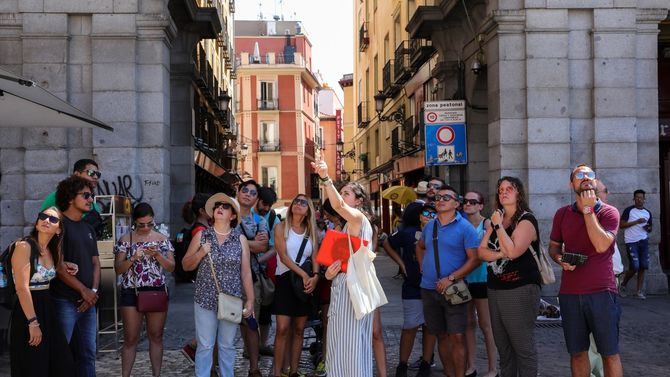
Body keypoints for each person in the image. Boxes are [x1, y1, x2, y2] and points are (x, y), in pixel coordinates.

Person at [548, 165, 623, 377]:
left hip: (602, 292)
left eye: (590, 175)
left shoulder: (609, 212)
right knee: (577, 353)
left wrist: (589, 210)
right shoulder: (562, 214)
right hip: (570, 293)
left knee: (609, 353)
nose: (586, 178)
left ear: (596, 181)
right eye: (579, 175)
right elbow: (553, 247)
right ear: (571, 183)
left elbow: (601, 245)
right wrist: (559, 258)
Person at [312, 159, 376, 377]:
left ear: (358, 201)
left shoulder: (358, 219)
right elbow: (338, 264)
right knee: (339, 345)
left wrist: (325, 178)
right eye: (342, 192)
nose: (342, 196)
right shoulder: (345, 226)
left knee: (351, 347)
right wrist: (330, 273)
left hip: (354, 290)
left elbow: (338, 205)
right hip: (343, 288)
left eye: (347, 193)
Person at [182, 193, 255, 377]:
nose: (219, 208)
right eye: (217, 206)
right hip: (205, 299)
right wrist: (200, 253)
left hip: (231, 300)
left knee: (227, 345)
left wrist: (250, 300)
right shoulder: (201, 236)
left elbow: (245, 272)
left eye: (225, 206)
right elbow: (185, 265)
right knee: (205, 345)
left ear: (232, 216)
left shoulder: (240, 240)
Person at [478, 177, 541, 377]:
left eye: (509, 189)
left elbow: (514, 252)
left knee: (523, 347)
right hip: (495, 289)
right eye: (500, 190)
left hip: (520, 289)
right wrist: (500, 253)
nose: (503, 192)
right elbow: (481, 252)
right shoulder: (498, 217)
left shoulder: (526, 220)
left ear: (518, 193)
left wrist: (498, 227)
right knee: (504, 349)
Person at [416, 185, 479, 377]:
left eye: (446, 197)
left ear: (456, 204)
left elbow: (475, 259)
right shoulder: (430, 226)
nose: (440, 200)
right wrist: (422, 267)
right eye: (438, 197)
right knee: (441, 335)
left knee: (457, 336)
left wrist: (451, 278)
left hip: (455, 289)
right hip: (428, 288)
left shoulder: (465, 228)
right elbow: (419, 247)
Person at [9, 207, 75, 376]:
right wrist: (33, 323)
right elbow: (22, 288)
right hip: (28, 311)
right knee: (34, 365)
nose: (46, 220)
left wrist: (67, 265)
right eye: (43, 217)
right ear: (37, 223)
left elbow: (51, 269)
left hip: (48, 308)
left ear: (59, 229)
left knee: (61, 362)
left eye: (53, 219)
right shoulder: (24, 246)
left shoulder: (53, 249)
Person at [114, 202, 176, 377]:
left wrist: (157, 255)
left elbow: (171, 267)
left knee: (156, 336)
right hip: (131, 291)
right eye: (142, 224)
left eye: (150, 223)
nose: (146, 227)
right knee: (130, 338)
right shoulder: (126, 240)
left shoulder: (162, 239)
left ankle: (157, 374)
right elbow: (118, 268)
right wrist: (133, 258)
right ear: (135, 222)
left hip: (155, 290)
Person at [51, 176, 100, 377]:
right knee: (61, 353)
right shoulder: (57, 225)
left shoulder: (88, 227)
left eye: (92, 195)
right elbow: (58, 266)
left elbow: (96, 263)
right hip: (65, 300)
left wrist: (93, 293)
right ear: (71, 197)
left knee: (88, 354)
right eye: (86, 195)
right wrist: (84, 291)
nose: (91, 199)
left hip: (88, 303)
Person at [272, 194, 320, 377]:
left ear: (308, 209)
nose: (299, 204)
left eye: (303, 203)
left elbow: (315, 257)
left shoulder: (311, 231)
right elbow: (283, 256)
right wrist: (304, 274)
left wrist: (315, 277)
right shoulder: (280, 227)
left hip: (304, 284)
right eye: (297, 201)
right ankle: (278, 372)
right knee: (283, 329)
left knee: (299, 329)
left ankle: (294, 370)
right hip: (285, 280)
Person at [382, 203, 424, 377]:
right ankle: (403, 365)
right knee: (410, 326)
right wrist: (402, 264)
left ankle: (426, 362)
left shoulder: (435, 229)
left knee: (430, 328)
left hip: (433, 285)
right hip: (413, 285)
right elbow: (386, 243)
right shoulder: (407, 232)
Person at [462, 191, 497, 377]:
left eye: (473, 202)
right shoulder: (461, 224)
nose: (468, 204)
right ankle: (471, 366)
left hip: (483, 279)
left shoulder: (487, 224)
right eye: (465, 201)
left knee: (486, 324)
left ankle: (493, 368)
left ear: (481, 205)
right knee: (468, 323)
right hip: (465, 279)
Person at [236, 180, 269, 376]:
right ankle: (215, 366)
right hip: (227, 278)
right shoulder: (227, 215)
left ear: (256, 199)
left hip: (251, 277)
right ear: (238, 192)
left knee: (251, 322)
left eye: (253, 193)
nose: (248, 194)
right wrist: (250, 243)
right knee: (224, 322)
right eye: (245, 190)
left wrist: (237, 242)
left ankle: (254, 367)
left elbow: (262, 247)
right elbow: (223, 242)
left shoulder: (260, 221)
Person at [180, 193, 212, 362]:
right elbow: (191, 260)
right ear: (202, 210)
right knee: (210, 327)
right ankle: (194, 348)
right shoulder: (200, 231)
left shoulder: (204, 227)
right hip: (205, 282)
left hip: (205, 281)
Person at [40, 159, 103, 236]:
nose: (95, 177)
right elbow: (43, 228)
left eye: (98, 174)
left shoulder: (94, 205)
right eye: (91, 173)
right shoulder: (55, 197)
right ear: (77, 174)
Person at [253, 186, 281, 355]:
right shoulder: (243, 215)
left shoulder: (272, 219)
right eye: (264, 204)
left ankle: (261, 344)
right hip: (241, 269)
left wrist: (258, 261)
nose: (266, 208)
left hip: (263, 272)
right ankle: (251, 347)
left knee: (264, 309)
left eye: (269, 205)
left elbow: (275, 247)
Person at [619, 189, 652, 299]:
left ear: (644, 199)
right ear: (634, 199)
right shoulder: (629, 210)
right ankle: (623, 285)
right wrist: (636, 222)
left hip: (644, 241)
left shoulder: (647, 213)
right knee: (635, 266)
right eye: (637, 197)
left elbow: (650, 228)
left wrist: (648, 228)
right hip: (631, 242)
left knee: (643, 266)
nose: (639, 199)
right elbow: (621, 225)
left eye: (641, 198)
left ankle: (639, 291)